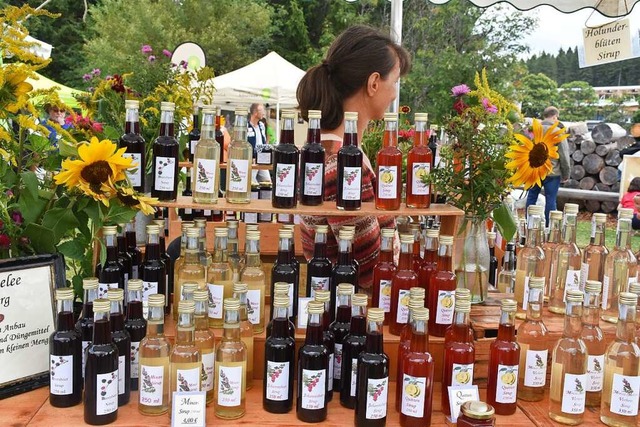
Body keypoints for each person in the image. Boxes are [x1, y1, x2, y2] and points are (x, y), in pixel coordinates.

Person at [296, 25, 411, 292]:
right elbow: (370, 269)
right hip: (352, 318)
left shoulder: (325, 149)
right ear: (373, 83)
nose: (394, 93)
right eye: (393, 82)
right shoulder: (340, 162)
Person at [525, 106, 571, 225]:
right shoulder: (557, 131)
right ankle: (548, 227)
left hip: (534, 170)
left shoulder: (533, 130)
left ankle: (528, 223)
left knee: (531, 197)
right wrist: (566, 173)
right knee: (551, 200)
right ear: (555, 117)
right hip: (552, 172)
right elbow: (564, 154)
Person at [246, 103, 271, 183]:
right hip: (252, 160)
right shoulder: (246, 126)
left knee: (267, 181)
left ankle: (266, 195)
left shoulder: (261, 125)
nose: (263, 113)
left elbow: (263, 140)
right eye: (262, 110)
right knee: (251, 183)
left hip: (262, 159)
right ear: (255, 112)